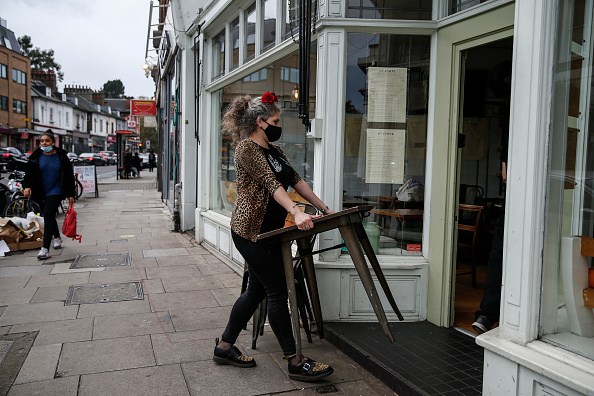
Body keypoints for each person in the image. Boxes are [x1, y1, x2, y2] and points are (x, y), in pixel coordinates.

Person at [213, 92, 335, 382]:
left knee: (256, 291)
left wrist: (323, 209)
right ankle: (295, 361)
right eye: (276, 120)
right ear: (260, 122)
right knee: (277, 291)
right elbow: (270, 184)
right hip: (250, 231)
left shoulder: (275, 152)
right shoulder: (246, 149)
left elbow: (296, 180)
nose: (280, 126)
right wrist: (296, 211)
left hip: (270, 233)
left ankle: (224, 347)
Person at [472, 137, 508, 334]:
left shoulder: (513, 137)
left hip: (512, 204)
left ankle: (487, 315)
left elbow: (505, 176)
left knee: (497, 259)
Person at [23, 130, 76, 260]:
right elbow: (29, 173)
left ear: (53, 142)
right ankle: (57, 237)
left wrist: (71, 194)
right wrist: (27, 186)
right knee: (49, 216)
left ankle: (45, 249)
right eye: (42, 141)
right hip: (41, 191)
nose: (44, 143)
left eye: (47, 141)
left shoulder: (61, 156)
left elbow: (69, 176)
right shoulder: (36, 156)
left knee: (48, 215)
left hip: (56, 191)